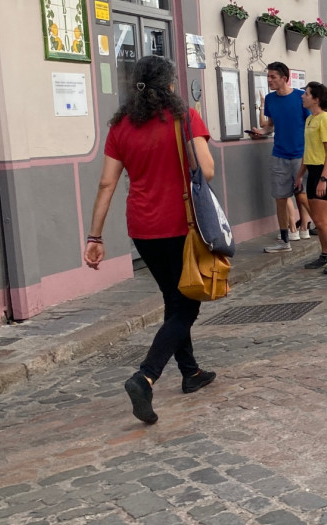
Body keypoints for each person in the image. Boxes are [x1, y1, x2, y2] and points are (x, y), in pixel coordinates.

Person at [84, 55, 217, 425]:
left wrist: (94, 235)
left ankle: (190, 373)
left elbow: (106, 183)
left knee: (173, 298)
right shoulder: (185, 119)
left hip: (142, 230)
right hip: (181, 226)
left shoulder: (120, 127)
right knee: (187, 305)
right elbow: (206, 170)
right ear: (171, 84)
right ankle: (145, 376)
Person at [253, 61, 312, 253]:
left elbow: (311, 124)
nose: (269, 80)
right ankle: (284, 240)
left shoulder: (300, 98)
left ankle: (323, 229)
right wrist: (262, 131)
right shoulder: (270, 100)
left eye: (273, 77)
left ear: (284, 79)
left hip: (300, 155)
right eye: (268, 76)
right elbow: (271, 125)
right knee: (280, 198)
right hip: (279, 154)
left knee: (302, 197)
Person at [299, 82, 327, 275]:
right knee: (317, 220)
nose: (303, 96)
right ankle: (325, 255)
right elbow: (308, 151)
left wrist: (323, 179)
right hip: (313, 172)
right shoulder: (310, 119)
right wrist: (299, 174)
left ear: (316, 99)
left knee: (321, 219)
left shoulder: (326, 119)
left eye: (306, 94)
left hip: (325, 173)